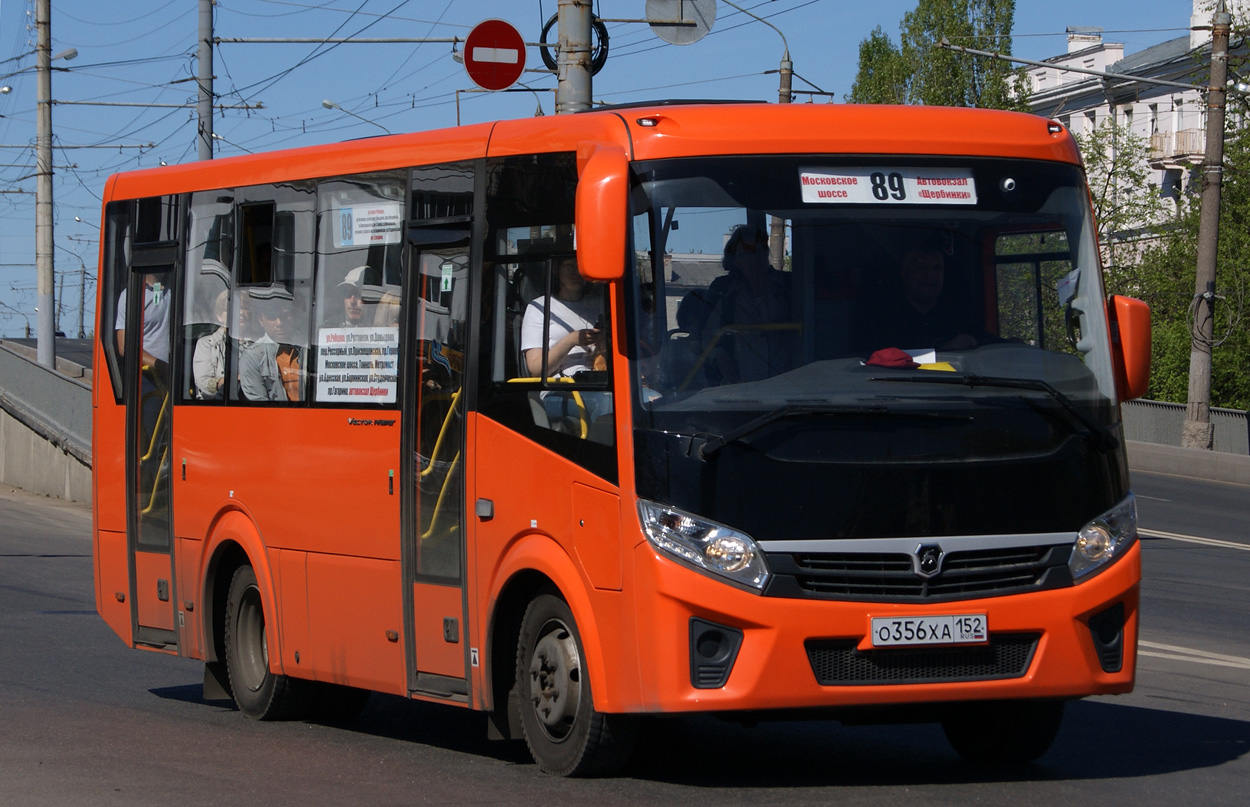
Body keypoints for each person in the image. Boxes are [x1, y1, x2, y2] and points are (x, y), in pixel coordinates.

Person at [519, 257, 610, 427]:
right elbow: (536, 369)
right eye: (569, 266)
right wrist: (571, 340)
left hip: (601, 381)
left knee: (649, 398)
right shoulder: (540, 308)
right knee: (608, 403)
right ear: (556, 270)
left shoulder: (600, 305)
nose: (575, 272)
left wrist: (604, 346)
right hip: (559, 391)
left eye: (580, 266)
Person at [700, 224, 793, 384]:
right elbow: (707, 337)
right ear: (734, 259)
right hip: (742, 391)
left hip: (788, 386)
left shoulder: (788, 287)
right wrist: (720, 357)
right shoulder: (725, 294)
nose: (754, 258)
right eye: (746, 253)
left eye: (759, 250)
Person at [860, 236, 981, 354]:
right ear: (905, 273)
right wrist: (943, 350)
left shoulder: (958, 316)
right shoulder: (883, 319)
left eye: (936, 268)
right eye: (921, 267)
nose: (929, 275)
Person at [239, 295, 304, 402]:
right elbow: (258, 403)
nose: (279, 323)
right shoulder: (252, 356)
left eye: (285, 315)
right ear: (261, 320)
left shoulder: (308, 348)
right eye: (272, 317)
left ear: (293, 316)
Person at [192, 289, 230, 399]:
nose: (240, 313)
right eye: (229, 309)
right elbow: (202, 382)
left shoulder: (258, 344)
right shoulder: (206, 344)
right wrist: (223, 383)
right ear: (219, 316)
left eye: (243, 308)